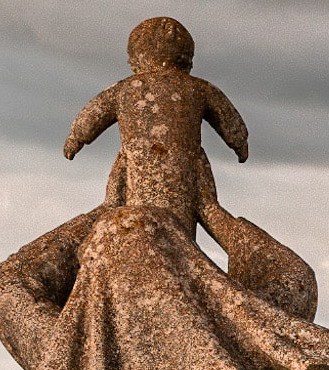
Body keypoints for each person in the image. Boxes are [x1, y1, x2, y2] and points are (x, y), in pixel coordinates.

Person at [63, 16, 250, 239]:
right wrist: (239, 144)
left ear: (137, 57)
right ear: (186, 57)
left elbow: (90, 118)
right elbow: (231, 122)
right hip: (186, 172)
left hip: (134, 169)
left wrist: (75, 139)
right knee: (199, 213)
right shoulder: (199, 89)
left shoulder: (124, 90)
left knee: (117, 206)